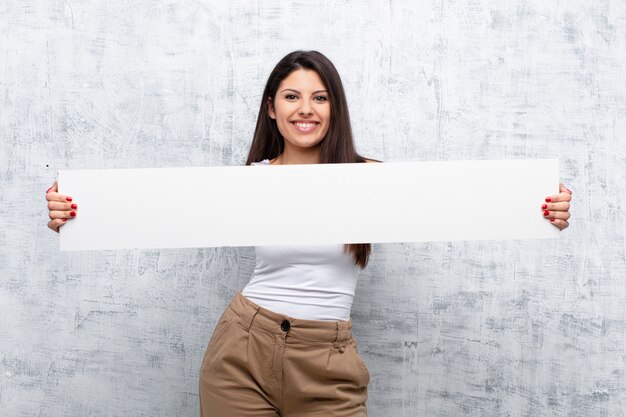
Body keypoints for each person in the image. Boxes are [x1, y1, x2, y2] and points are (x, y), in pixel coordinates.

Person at [45, 50, 572, 416]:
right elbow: (147, 211)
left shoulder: (372, 180)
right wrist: (73, 211)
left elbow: (468, 200)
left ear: (334, 109)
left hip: (328, 359)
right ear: (272, 109)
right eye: (292, 97)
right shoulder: (248, 183)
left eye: (319, 98)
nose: (305, 109)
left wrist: (543, 207)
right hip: (243, 347)